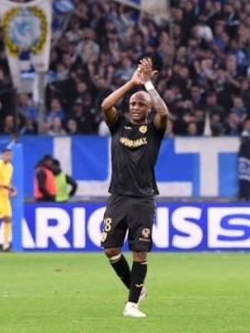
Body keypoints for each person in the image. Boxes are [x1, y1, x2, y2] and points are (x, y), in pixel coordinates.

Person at [99, 57, 169, 318]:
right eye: (133, 104)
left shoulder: (154, 130)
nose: (136, 107)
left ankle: (131, 305)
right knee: (110, 249)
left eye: (141, 104)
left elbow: (164, 113)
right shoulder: (118, 125)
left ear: (148, 108)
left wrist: (149, 84)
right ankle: (136, 289)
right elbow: (105, 104)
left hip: (142, 199)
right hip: (117, 197)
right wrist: (132, 82)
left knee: (139, 252)